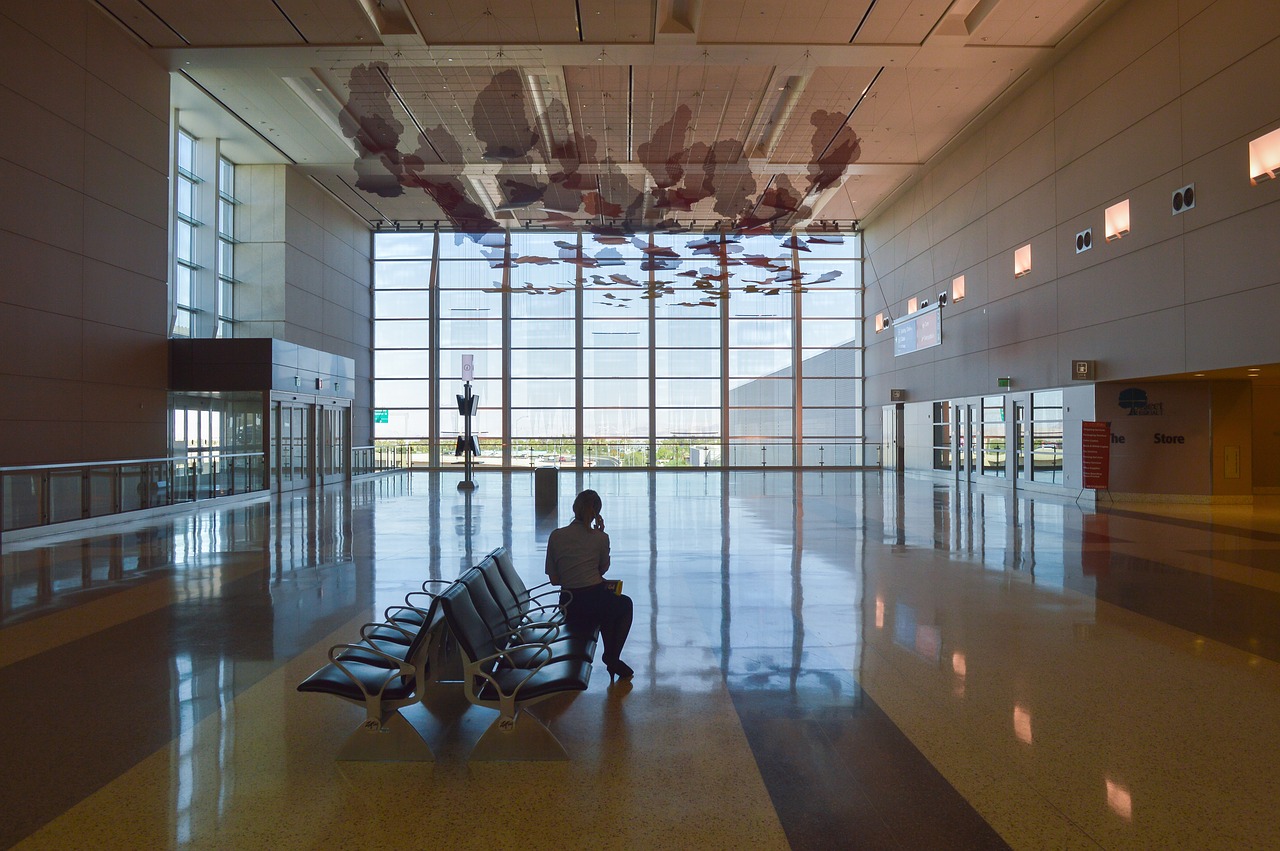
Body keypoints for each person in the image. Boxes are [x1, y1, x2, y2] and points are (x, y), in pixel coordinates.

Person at [545, 489, 634, 682]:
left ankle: (611, 657)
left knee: (607, 607)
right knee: (622, 605)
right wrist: (600, 535)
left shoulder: (556, 536)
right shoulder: (601, 538)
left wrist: (573, 575)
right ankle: (612, 656)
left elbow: (554, 579)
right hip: (595, 600)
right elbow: (602, 570)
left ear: (574, 508)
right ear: (596, 513)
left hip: (569, 604)